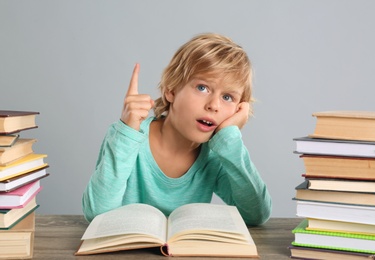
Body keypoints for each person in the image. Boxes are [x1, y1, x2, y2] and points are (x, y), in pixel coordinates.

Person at [82, 33, 272, 226]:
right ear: (171, 90)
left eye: (228, 97)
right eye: (202, 88)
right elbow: (97, 213)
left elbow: (256, 214)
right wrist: (127, 132)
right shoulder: (127, 138)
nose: (214, 105)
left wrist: (230, 139)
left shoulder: (216, 155)